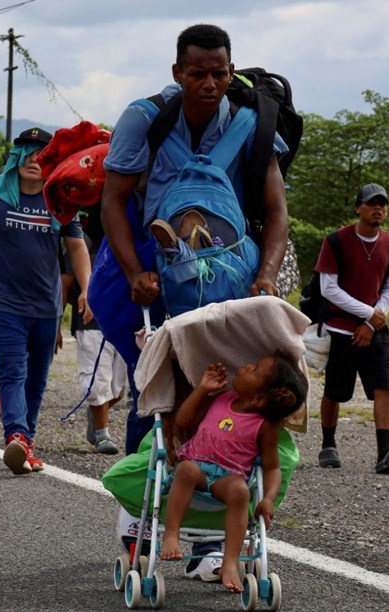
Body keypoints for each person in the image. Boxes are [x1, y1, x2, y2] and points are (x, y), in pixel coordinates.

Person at [99, 24, 291, 576]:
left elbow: (276, 210)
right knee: (157, 385)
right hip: (154, 274)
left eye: (219, 74)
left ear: (232, 73)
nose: (209, 84)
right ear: (177, 72)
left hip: (234, 274)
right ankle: (139, 521)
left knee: (227, 394)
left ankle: (208, 541)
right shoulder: (146, 118)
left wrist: (268, 275)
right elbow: (114, 200)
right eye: (197, 73)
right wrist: (135, 272)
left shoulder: (252, 122)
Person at [0, 127, 92, 475]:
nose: (33, 161)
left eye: (41, 156)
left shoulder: (61, 199)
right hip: (3, 304)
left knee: (37, 380)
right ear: (15, 158)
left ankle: (26, 443)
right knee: (13, 371)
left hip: (46, 306)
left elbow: (76, 247)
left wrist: (87, 290)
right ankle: (16, 434)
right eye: (26, 153)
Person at [160, 355, 305, 592]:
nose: (246, 365)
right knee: (186, 469)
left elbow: (272, 467)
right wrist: (202, 390)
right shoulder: (221, 398)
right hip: (195, 466)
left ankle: (230, 560)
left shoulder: (263, 426)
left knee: (240, 490)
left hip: (226, 478)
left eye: (255, 369)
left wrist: (268, 498)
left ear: (258, 398)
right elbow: (183, 422)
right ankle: (171, 533)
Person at [316, 183, 389, 474]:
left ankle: (384, 455)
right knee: (335, 390)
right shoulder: (335, 241)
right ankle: (328, 445)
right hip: (341, 330)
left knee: (383, 387)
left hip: (376, 331)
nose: (378, 209)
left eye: (382, 204)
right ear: (358, 207)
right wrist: (369, 314)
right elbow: (328, 288)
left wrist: (373, 321)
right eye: (372, 203)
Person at [61, 206, 124, 454]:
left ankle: (96, 413)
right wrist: (57, 322)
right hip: (90, 320)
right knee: (96, 381)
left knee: (119, 388)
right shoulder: (80, 240)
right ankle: (102, 434)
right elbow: (65, 283)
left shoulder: (126, 240)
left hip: (122, 321)